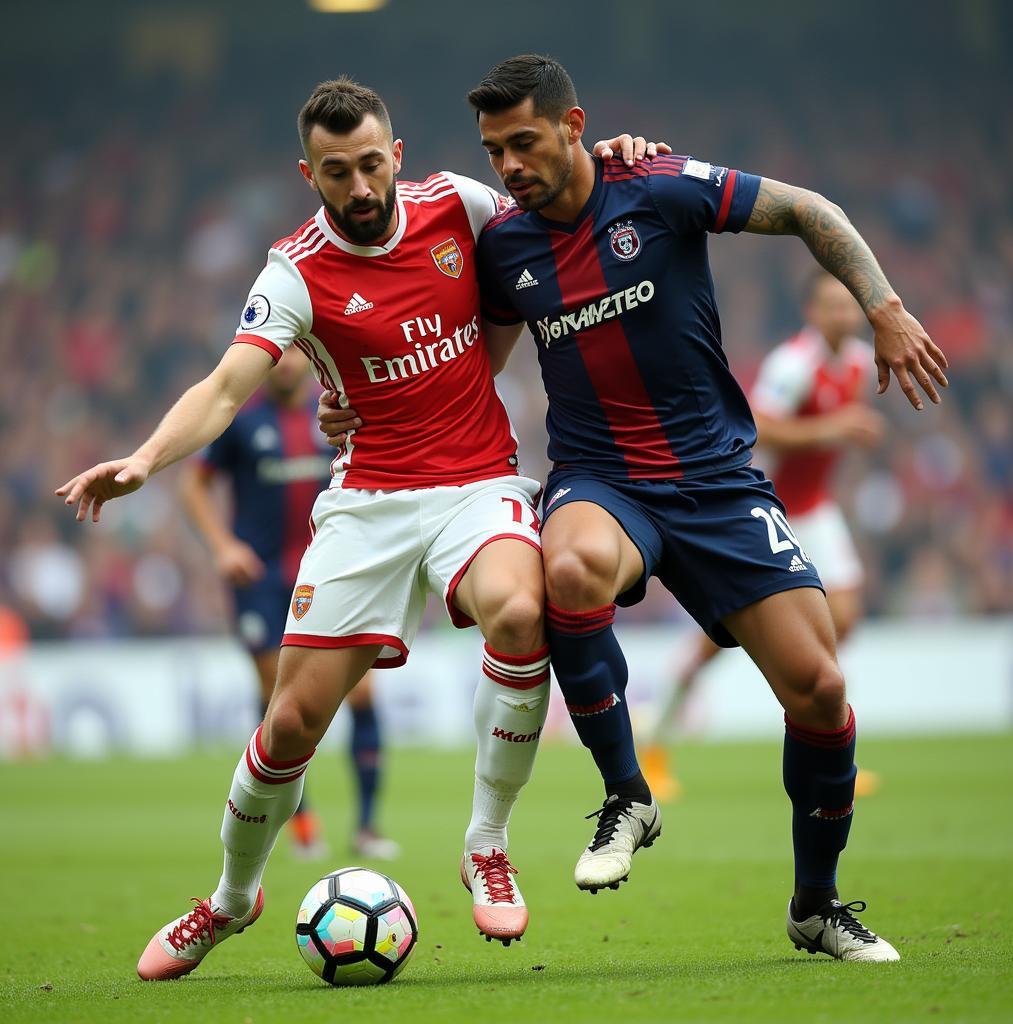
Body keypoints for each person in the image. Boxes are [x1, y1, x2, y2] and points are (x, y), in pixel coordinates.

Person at [56, 74, 660, 976]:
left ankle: (486, 843)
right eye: (338, 172)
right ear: (311, 174)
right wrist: (146, 458)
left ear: (398, 156)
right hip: (368, 500)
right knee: (291, 720)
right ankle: (229, 900)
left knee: (522, 612)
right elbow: (227, 385)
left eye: (372, 164)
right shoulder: (294, 269)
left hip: (476, 483)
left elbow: (560, 200)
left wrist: (615, 154)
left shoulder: (460, 204)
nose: (361, 187)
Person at [460, 54, 946, 962]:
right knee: (566, 566)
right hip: (601, 479)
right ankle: (625, 795)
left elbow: (810, 211)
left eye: (524, 142)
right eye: (495, 152)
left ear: (573, 126)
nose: (510, 166)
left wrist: (882, 306)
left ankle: (816, 905)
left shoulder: (657, 184)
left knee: (823, 689)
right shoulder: (505, 249)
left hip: (718, 480)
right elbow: (475, 357)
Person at [641, 270, 885, 802]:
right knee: (718, 641)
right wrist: (836, 427)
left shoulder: (861, 363)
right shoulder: (793, 364)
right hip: (767, 506)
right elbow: (760, 425)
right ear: (811, 312)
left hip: (815, 510)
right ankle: (654, 745)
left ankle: (835, 749)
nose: (843, 315)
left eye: (849, 306)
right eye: (832, 306)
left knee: (843, 618)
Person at [180, 343, 399, 860]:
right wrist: (222, 546)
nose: (290, 364)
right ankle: (301, 823)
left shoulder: (334, 416)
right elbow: (194, 486)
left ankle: (367, 827)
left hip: (331, 576)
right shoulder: (241, 421)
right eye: (281, 356)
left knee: (362, 695)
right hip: (260, 579)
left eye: (299, 355)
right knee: (280, 702)